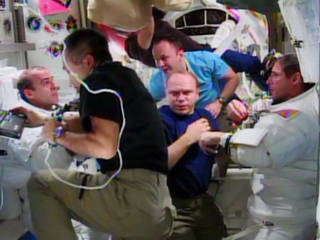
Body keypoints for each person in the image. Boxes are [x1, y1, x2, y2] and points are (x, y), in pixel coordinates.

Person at [21, 28, 175, 240]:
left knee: (41, 184)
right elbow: (95, 123)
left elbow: (103, 146)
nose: (68, 78)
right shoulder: (123, 77)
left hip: (133, 200)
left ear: (87, 62)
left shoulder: (96, 84)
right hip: (156, 202)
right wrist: (46, 120)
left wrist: (57, 134)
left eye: (68, 70)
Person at [199, 54, 318, 240]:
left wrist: (221, 139)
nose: (268, 80)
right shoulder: (295, 107)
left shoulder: (297, 117)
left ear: (295, 79)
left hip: (283, 225)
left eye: (276, 75)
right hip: (272, 218)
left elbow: (263, 152)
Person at [0, 66, 73, 239]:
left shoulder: (57, 111)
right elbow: (50, 163)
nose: (55, 86)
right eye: (46, 83)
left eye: (53, 80)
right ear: (29, 93)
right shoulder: (20, 125)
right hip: (46, 218)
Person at [125, 7, 266, 90]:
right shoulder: (136, 44)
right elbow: (147, 27)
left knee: (252, 63)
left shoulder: (152, 24)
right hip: (201, 65)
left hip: (207, 54)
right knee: (248, 67)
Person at [159, 72, 226, 240]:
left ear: (197, 93)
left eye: (187, 92)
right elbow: (161, 164)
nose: (181, 98)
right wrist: (189, 138)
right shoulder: (160, 120)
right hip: (173, 207)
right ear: (166, 93)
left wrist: (215, 145)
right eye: (175, 93)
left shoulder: (205, 116)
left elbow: (221, 155)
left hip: (203, 201)